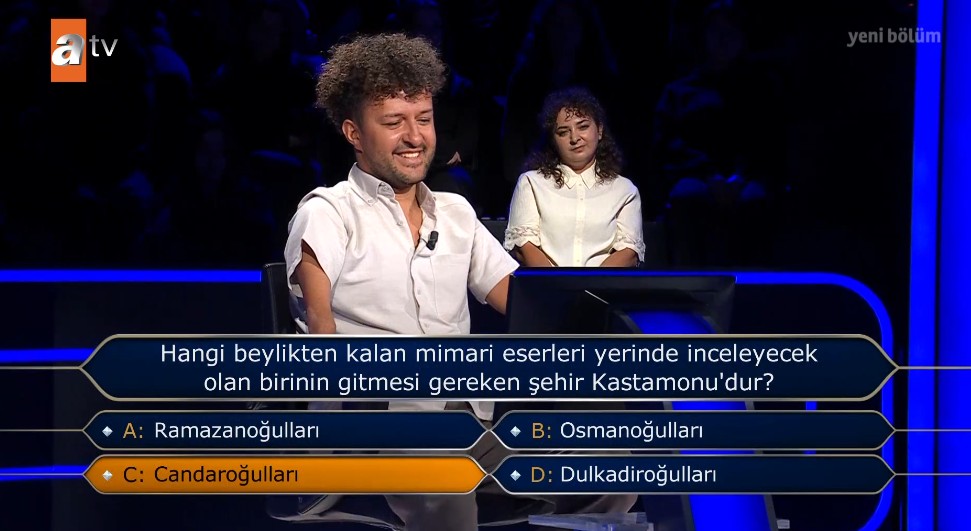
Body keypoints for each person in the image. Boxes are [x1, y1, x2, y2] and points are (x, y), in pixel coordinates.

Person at [284, 34, 636, 530]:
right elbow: (320, 337)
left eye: (424, 119)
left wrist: (615, 335)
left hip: (474, 422)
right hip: (377, 425)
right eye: (393, 122)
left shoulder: (455, 214)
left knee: (607, 457)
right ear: (354, 133)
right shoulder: (327, 212)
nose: (414, 136)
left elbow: (529, 305)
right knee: (443, 471)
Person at [505, 86, 646, 268]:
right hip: (546, 284)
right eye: (563, 132)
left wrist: (589, 284)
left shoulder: (624, 190)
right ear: (553, 140)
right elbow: (524, 246)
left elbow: (629, 252)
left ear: (599, 130)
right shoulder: (532, 183)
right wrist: (559, 283)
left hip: (603, 286)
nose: (574, 138)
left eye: (583, 127)